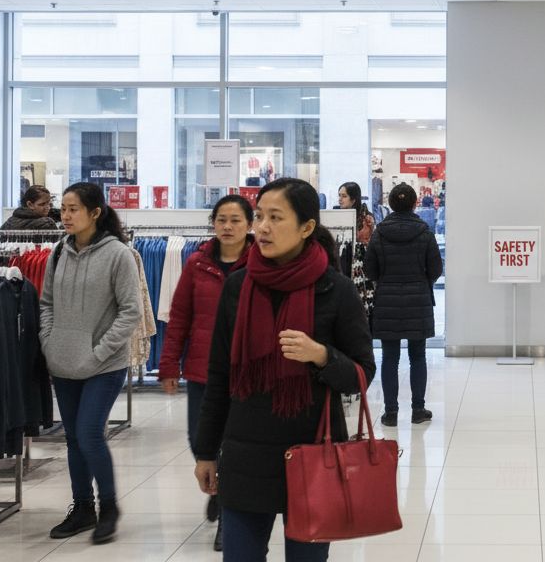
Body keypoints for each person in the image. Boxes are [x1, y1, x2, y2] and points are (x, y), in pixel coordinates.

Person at [193, 178, 375, 562]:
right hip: (245, 454)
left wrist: (322, 355)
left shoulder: (337, 290)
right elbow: (219, 376)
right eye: (259, 216)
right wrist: (206, 451)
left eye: (275, 218)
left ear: (307, 227)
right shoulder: (238, 286)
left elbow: (362, 374)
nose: (261, 227)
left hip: (312, 451)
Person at [40, 182, 142, 544]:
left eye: (73, 209)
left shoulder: (118, 254)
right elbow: (46, 303)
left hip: (104, 365)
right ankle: (82, 507)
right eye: (63, 209)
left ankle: (109, 506)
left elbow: (131, 311)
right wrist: (48, 342)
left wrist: (99, 352)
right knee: (72, 439)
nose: (65, 215)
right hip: (63, 361)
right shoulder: (57, 253)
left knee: (89, 434)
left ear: (95, 213)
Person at [157, 194, 253, 551]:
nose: (227, 227)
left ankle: (228, 516)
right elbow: (180, 317)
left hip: (245, 371)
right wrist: (168, 365)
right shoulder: (197, 264)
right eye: (222, 220)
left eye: (235, 220)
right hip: (201, 369)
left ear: (249, 225)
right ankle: (217, 481)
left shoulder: (259, 264)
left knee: (233, 443)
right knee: (200, 440)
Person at [365, 183, 443, 427]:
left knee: (389, 357)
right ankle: (418, 409)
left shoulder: (379, 233)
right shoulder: (425, 233)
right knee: (417, 356)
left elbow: (369, 270)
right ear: (414, 203)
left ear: (390, 204)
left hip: (387, 300)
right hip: (418, 300)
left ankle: (390, 413)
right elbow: (436, 269)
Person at [336, 181, 376, 317]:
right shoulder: (335, 217)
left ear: (353, 199)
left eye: (344, 196)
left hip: (361, 270)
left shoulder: (367, 219)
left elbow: (368, 243)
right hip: (342, 266)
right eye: (339, 195)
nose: (340, 199)